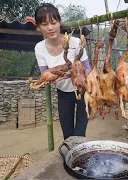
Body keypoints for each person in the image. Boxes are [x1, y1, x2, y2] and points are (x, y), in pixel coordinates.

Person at [34, 3, 92, 140]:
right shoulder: (39, 48)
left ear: (59, 22)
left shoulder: (75, 42)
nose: (50, 28)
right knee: (67, 134)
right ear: (38, 27)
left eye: (53, 22)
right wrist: (46, 81)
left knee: (79, 133)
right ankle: (69, 159)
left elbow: (88, 69)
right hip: (63, 95)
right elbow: (45, 74)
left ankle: (78, 158)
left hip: (83, 90)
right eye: (44, 24)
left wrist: (73, 74)